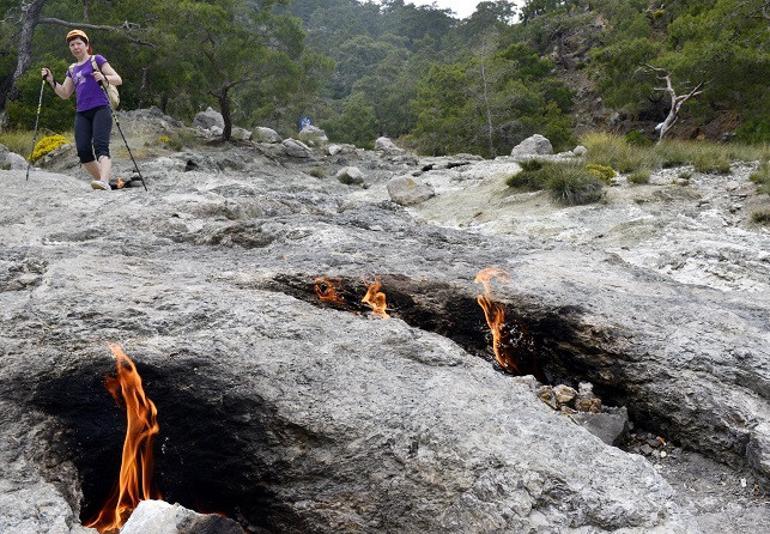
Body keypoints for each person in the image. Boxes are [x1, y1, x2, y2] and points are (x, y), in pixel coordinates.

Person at [41, 29, 122, 190]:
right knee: (83, 151)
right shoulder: (72, 69)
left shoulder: (96, 60)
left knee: (100, 146)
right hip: (82, 112)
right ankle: (103, 182)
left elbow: (118, 79)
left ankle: (104, 181)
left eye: (79, 43)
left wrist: (104, 78)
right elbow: (65, 93)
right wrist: (51, 81)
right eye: (72, 45)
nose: (76, 47)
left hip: (101, 108)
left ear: (86, 45)